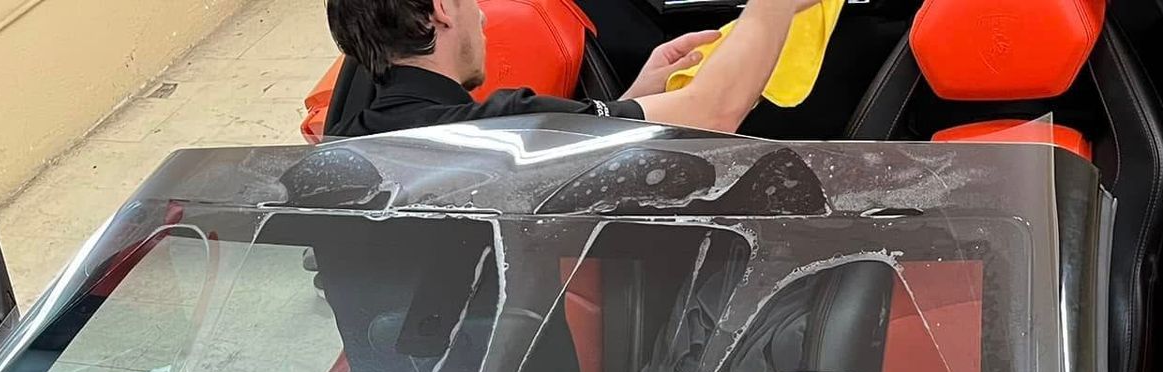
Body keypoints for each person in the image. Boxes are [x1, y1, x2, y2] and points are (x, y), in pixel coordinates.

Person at [324, 0, 818, 138]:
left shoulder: (348, 136)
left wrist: (638, 92)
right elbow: (712, 114)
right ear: (441, 10)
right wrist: (771, 9)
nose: (482, 16)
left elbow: (569, 147)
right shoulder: (493, 128)